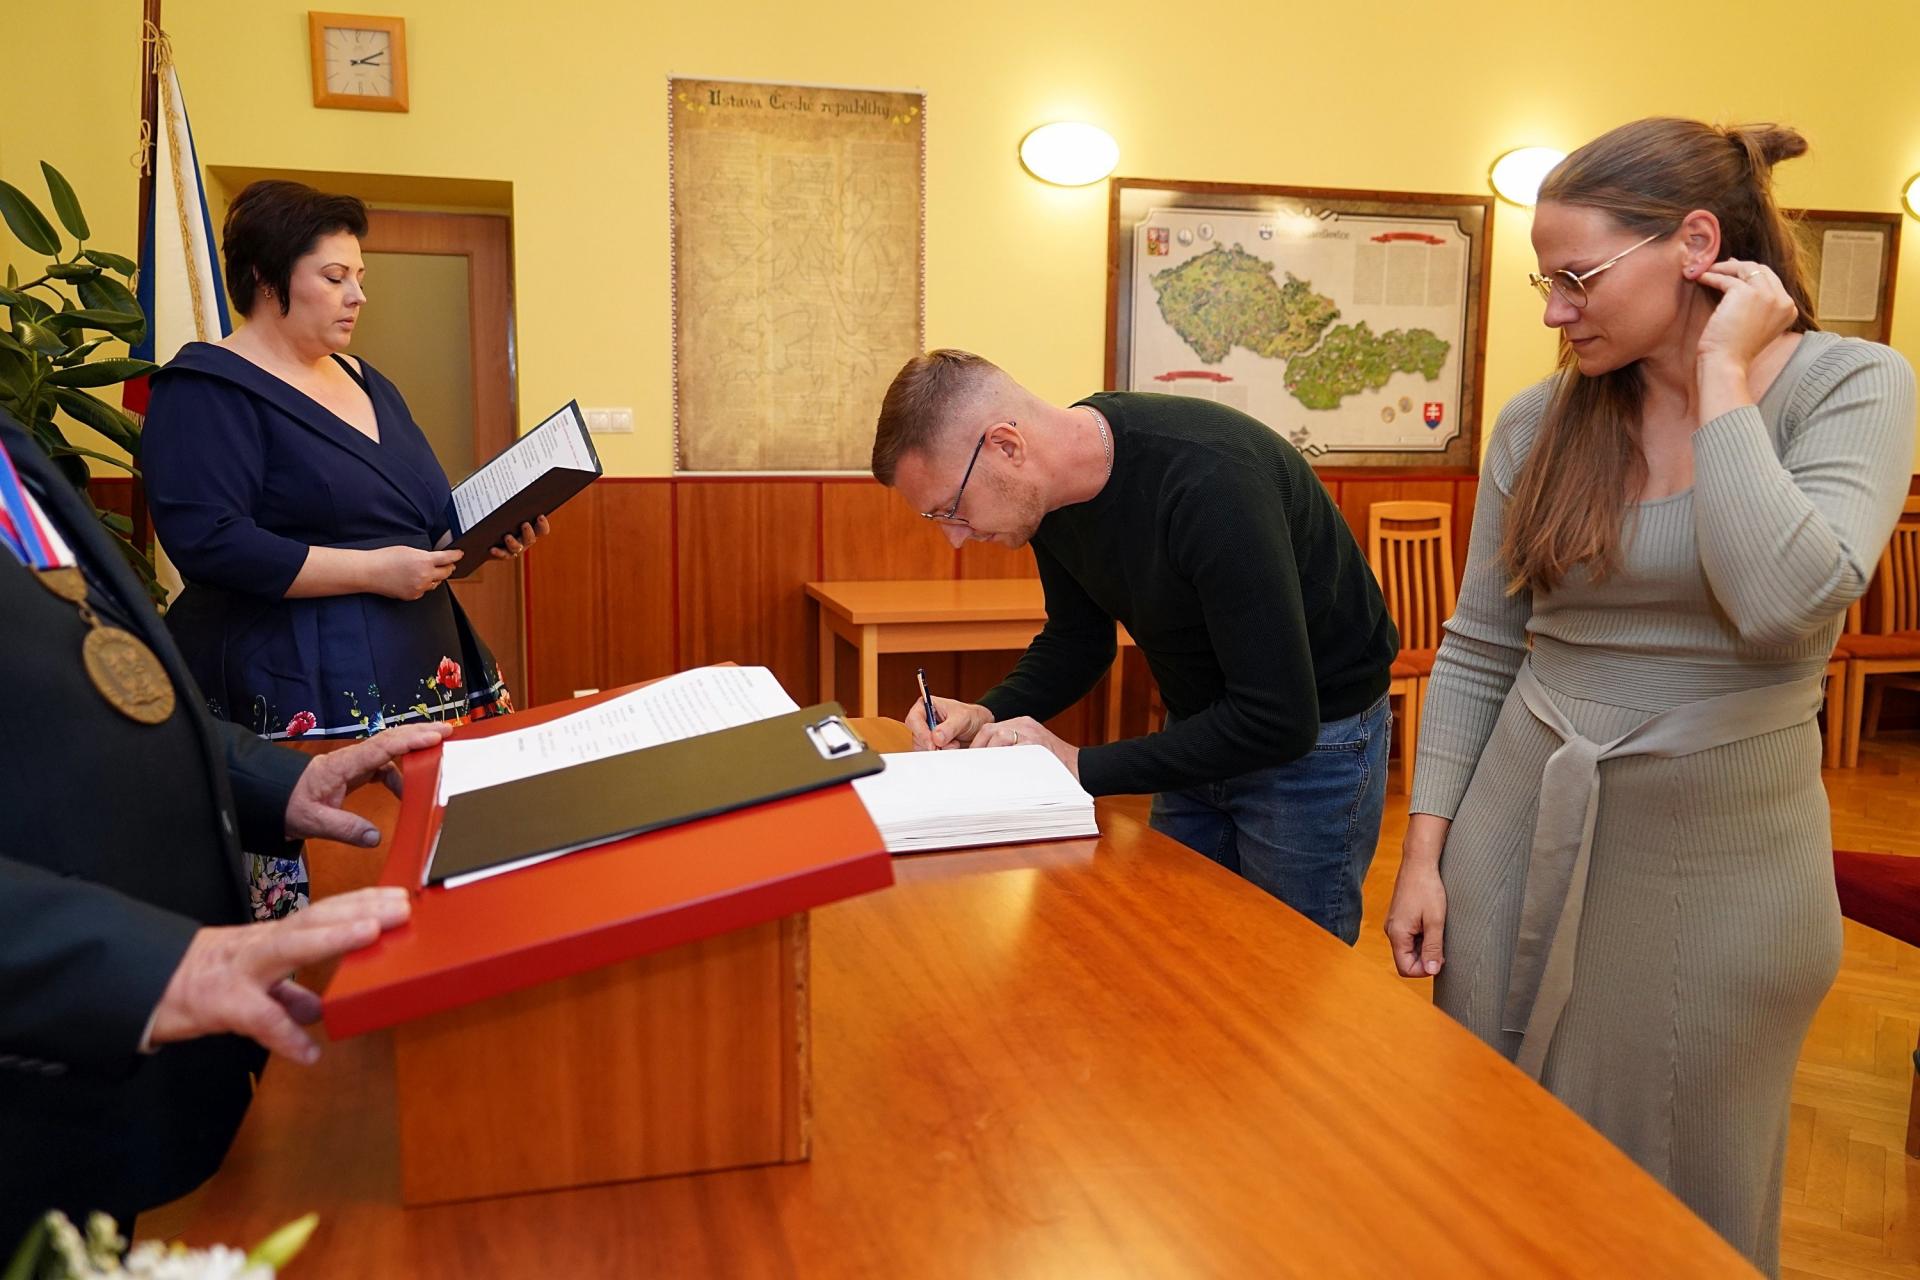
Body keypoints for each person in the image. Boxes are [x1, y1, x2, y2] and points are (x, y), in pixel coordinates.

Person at [1382, 118, 1916, 1275]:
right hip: (1515, 831)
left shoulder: (1853, 386)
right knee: (1496, 1158)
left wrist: (1722, 379)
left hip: (1722, 860)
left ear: (1696, 245)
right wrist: (1425, 855)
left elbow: (1783, 604)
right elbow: (1479, 648)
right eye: (1546, 281)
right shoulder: (1542, 421)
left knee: (1690, 1190)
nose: (1554, 311)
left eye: (1577, 278)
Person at [0, 400, 445, 1245]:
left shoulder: (9, 449)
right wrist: (152, 965)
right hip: (47, 1051)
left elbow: (99, 698)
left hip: (125, 1069)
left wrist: (285, 778)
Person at [870, 351, 1399, 942]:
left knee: (1289, 964)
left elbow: (1279, 720)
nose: (953, 538)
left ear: (1006, 446)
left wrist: (1078, 765)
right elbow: (1078, 642)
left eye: (952, 508)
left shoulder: (1211, 485)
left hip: (1316, 741)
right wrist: (985, 713)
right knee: (1173, 944)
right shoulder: (1049, 495)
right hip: (1202, 727)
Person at [141, 180, 547, 920]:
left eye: (360, 276)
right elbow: (210, 542)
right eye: (334, 277)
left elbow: (417, 517)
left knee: (450, 903)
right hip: (296, 684)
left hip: (427, 662)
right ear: (266, 279)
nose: (357, 295)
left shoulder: (369, 381)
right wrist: (373, 572)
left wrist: (485, 535)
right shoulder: (205, 388)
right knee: (337, 905)